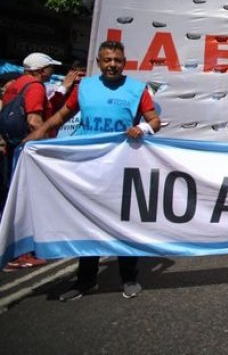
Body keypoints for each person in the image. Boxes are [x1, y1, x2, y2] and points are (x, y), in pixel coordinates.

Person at [25, 40, 161, 301]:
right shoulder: (84, 87)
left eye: (117, 60)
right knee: (86, 223)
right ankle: (86, 281)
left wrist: (142, 129)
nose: (112, 65)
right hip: (87, 168)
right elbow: (62, 116)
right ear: (99, 62)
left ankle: (129, 277)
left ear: (124, 62)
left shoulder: (136, 89)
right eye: (107, 60)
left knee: (124, 223)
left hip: (121, 168)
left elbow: (155, 120)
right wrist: (38, 134)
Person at [1, 52, 64, 271]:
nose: (51, 71)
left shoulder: (15, 84)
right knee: (25, 198)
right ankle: (20, 253)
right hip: (26, 150)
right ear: (39, 70)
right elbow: (34, 120)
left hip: (11, 147)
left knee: (13, 197)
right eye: (49, 68)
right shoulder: (35, 86)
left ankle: (13, 249)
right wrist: (46, 147)